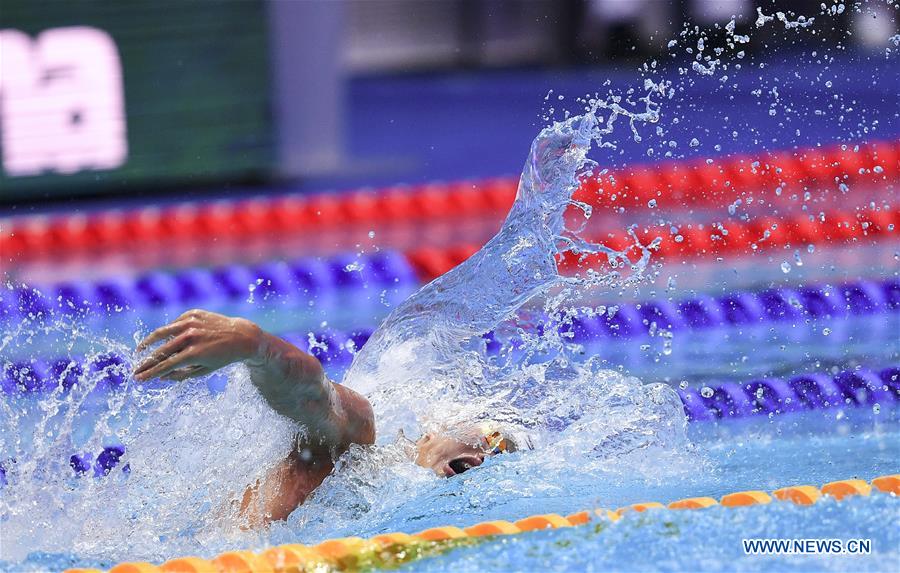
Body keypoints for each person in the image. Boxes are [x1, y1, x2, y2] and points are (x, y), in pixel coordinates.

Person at [133, 308, 514, 526]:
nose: (485, 453)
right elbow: (316, 396)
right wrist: (256, 345)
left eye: (497, 448)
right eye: (492, 435)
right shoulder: (354, 447)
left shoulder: (377, 486)